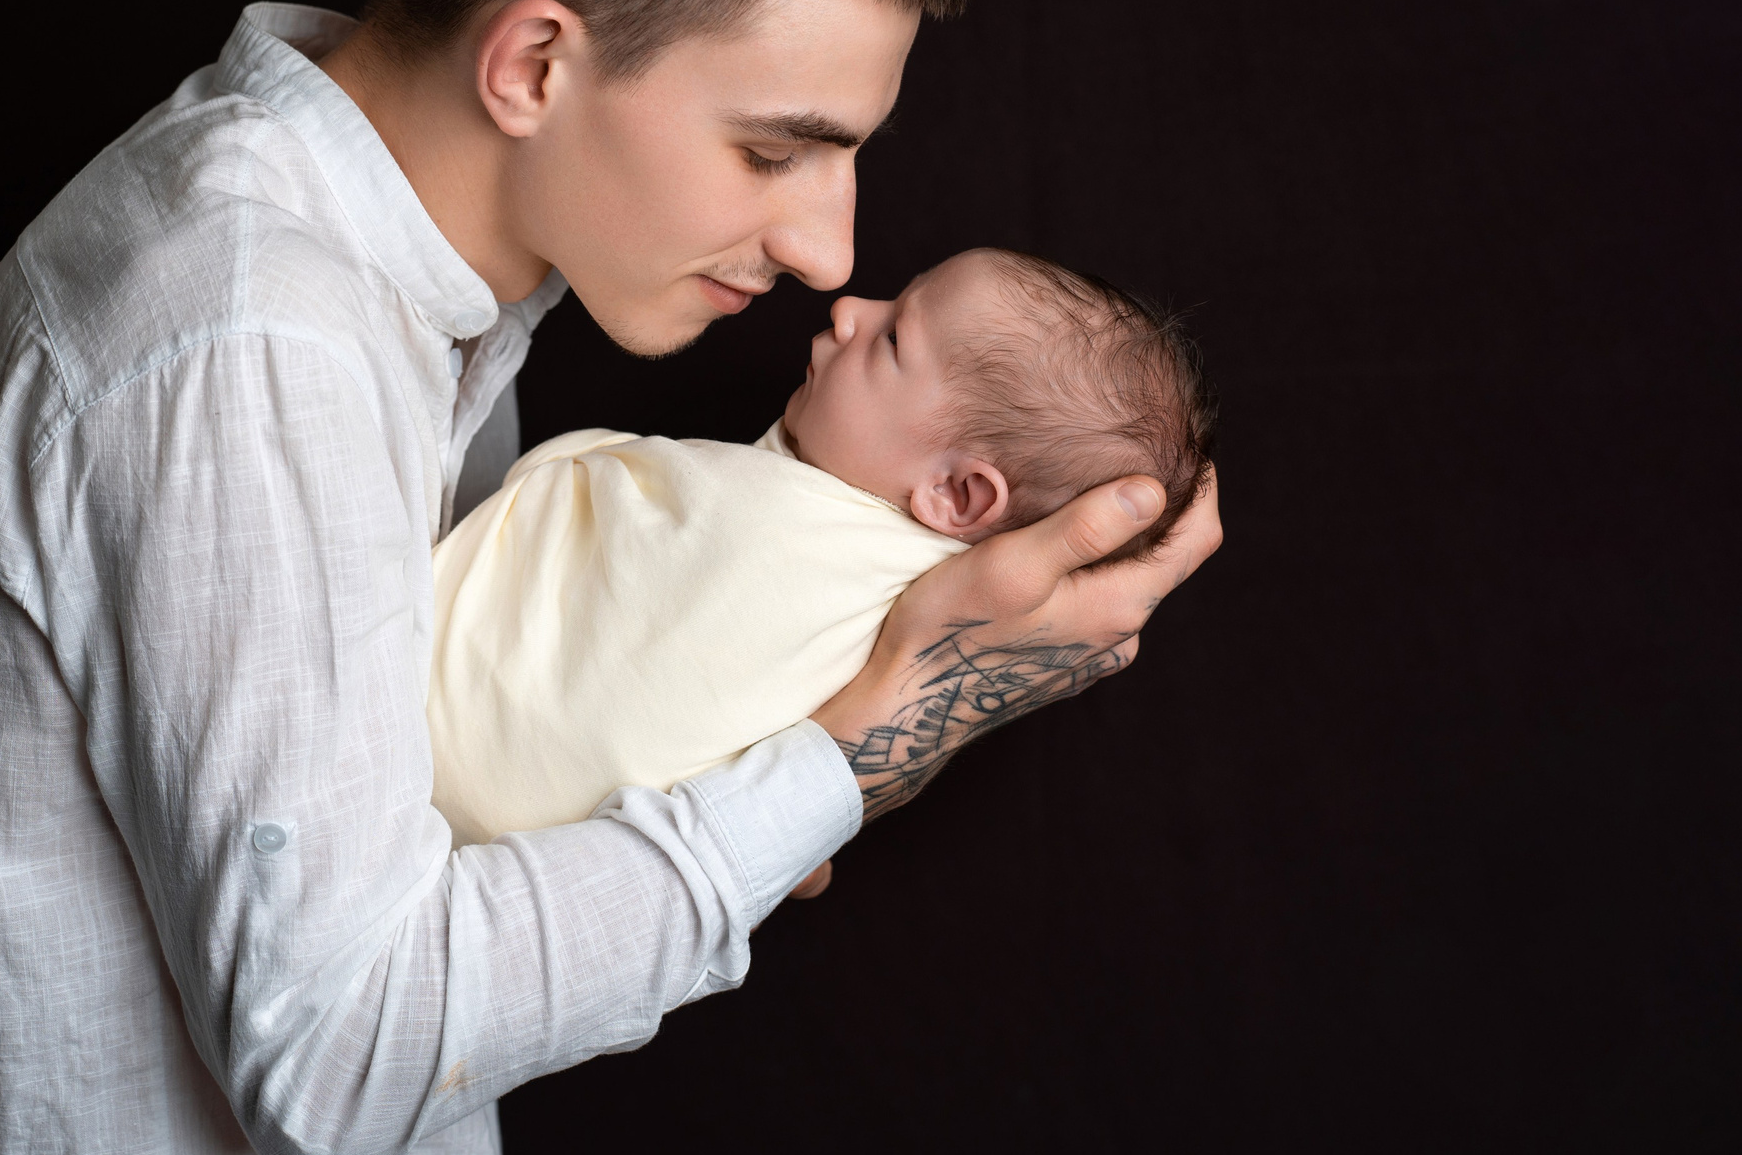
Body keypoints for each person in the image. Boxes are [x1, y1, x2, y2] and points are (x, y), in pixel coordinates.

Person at [0, 0, 1222, 1155]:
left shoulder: (431, 298)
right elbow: (337, 1055)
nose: (834, 251)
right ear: (538, 63)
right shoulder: (246, 341)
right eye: (778, 149)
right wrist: (858, 750)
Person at [428, 247, 1216, 847]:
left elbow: (622, 512)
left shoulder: (790, 548)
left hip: (450, 738)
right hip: (524, 839)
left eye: (894, 338)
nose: (849, 310)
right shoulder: (922, 606)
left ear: (956, 495)